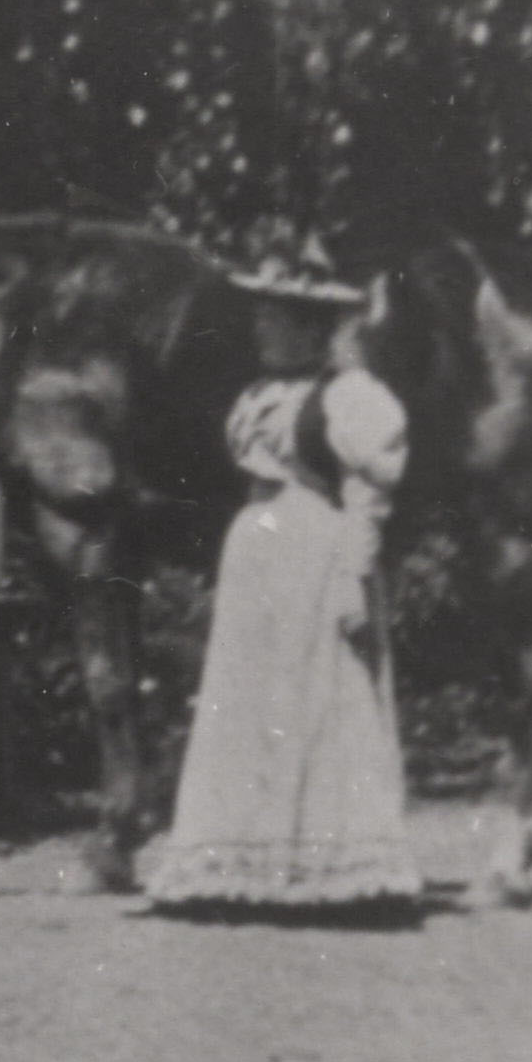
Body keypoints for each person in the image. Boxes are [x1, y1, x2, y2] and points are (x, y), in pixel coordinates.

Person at [142, 367, 424, 918]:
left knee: (321, 694)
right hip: (257, 552)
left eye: (288, 311)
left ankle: (335, 871)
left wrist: (354, 573)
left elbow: (366, 491)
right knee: (247, 703)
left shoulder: (347, 394)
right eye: (266, 309)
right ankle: (238, 865)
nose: (271, 324)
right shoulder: (258, 393)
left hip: (315, 549)